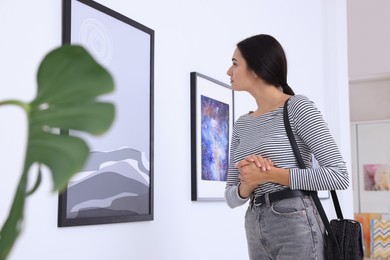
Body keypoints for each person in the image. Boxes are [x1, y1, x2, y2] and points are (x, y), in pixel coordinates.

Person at [224, 34, 349, 259]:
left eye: (235, 64)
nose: (228, 72)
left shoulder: (297, 107)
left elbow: (338, 176)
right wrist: (248, 184)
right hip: (254, 222)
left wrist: (268, 174)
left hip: (295, 221)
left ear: (256, 68)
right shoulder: (242, 124)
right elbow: (231, 197)